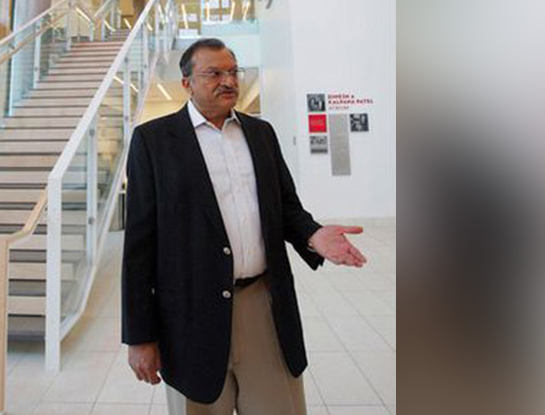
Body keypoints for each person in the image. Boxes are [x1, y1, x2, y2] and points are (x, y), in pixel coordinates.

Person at [122, 38, 368, 415]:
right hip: (188, 314)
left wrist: (313, 234)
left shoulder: (261, 134)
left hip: (263, 305)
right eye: (214, 73)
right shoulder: (153, 141)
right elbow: (139, 246)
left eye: (233, 72)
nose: (228, 81)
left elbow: (285, 205)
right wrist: (140, 336)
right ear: (186, 83)